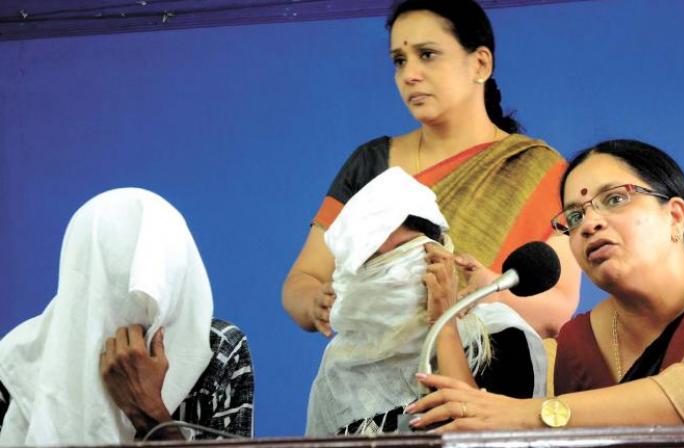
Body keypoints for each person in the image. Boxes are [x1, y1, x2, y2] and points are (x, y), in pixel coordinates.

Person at [404, 139, 684, 430]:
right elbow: (475, 424)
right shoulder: (573, 347)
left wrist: (536, 415)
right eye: (573, 218)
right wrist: (446, 323)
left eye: (614, 199)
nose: (590, 224)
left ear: (675, 217)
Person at [282, 0, 581, 340]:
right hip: (376, 381)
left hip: (498, 382)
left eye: (427, 54)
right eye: (399, 60)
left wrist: (478, 294)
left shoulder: (539, 170)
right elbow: (302, 279)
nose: (409, 74)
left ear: (480, 63)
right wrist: (315, 303)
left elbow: (556, 309)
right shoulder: (371, 164)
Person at [0, 188, 254, 445]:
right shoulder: (16, 361)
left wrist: (148, 412)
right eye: (111, 278)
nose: (137, 310)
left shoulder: (219, 352)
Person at [305, 168, 547, 435]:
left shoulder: (499, 333)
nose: (394, 271)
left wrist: (444, 325)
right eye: (376, 262)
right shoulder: (340, 367)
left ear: (439, 252)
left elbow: (482, 442)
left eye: (404, 251)